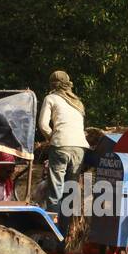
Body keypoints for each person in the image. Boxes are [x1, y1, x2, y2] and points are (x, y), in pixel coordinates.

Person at [38, 70, 88, 220]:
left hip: (61, 146)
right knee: (69, 194)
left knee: (55, 192)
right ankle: (64, 238)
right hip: (80, 148)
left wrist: (52, 138)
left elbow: (43, 125)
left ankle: (53, 236)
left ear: (52, 84)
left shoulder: (51, 98)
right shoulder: (78, 102)